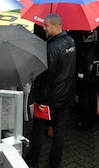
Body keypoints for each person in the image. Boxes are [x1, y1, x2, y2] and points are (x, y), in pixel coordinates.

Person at [25, 14, 76, 168]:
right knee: (60, 129)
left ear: (55, 26)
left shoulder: (52, 47)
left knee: (38, 130)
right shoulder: (71, 41)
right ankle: (55, 162)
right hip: (65, 95)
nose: (44, 29)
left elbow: (46, 76)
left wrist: (40, 99)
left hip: (50, 98)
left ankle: (33, 160)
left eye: (46, 26)